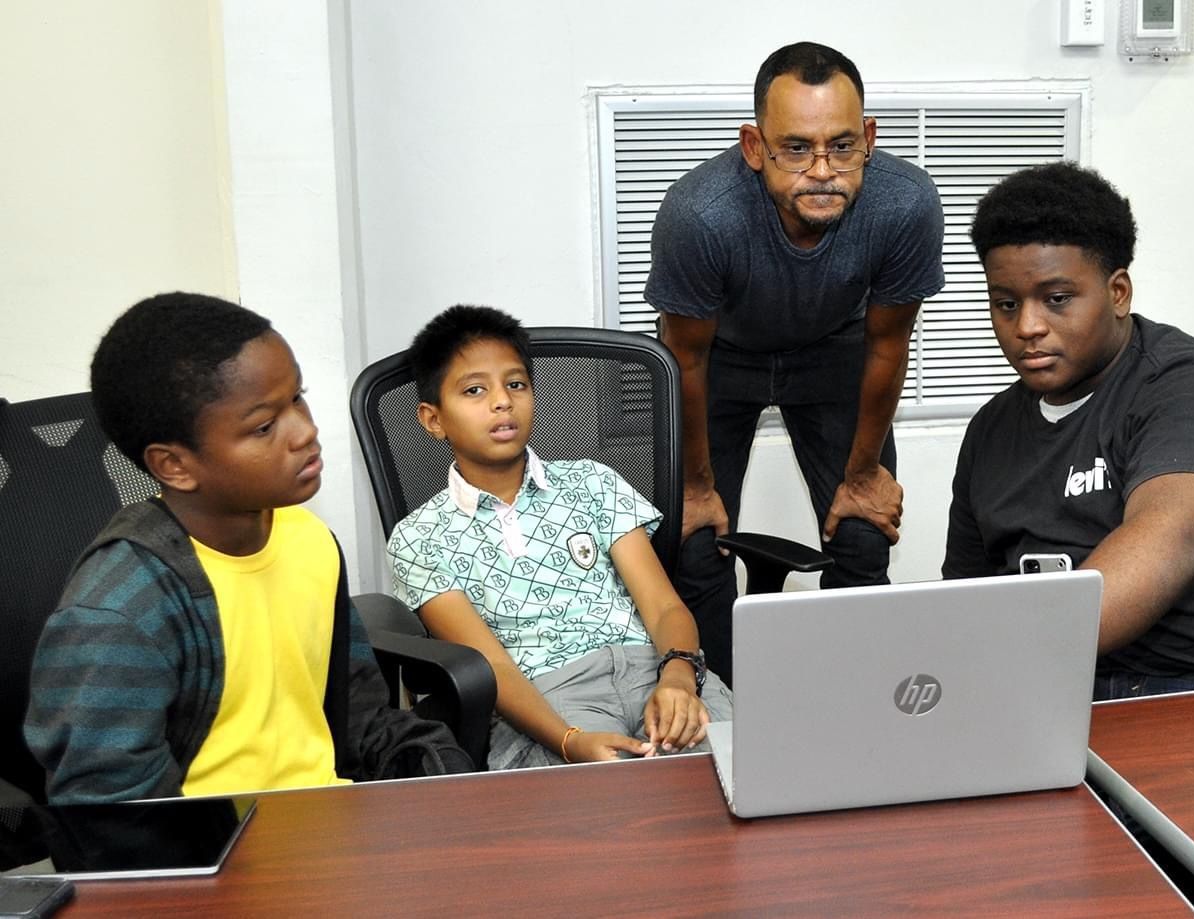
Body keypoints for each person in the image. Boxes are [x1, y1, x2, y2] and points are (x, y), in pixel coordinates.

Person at [26, 293, 470, 804]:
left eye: (297, 398)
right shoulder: (122, 610)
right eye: (263, 426)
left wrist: (440, 771)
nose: (305, 431)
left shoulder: (307, 540)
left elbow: (358, 714)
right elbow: (113, 821)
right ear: (175, 466)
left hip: (329, 830)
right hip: (216, 865)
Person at [944, 162, 1194, 699]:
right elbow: (967, 602)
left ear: (1118, 292)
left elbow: (1169, 545)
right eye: (1006, 303)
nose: (1027, 327)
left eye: (1057, 298)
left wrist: (1006, 664)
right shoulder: (992, 430)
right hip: (1069, 691)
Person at [644, 41, 945, 684]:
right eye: (796, 148)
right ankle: (716, 716)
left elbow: (888, 344)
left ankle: (855, 707)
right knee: (694, 546)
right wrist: (696, 486)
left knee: (864, 535)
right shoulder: (700, 213)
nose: (822, 170)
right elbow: (685, 358)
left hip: (834, 351)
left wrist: (864, 473)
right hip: (717, 361)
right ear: (755, 148)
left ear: (868, 138)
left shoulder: (905, 203)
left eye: (841, 145)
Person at [385, 305, 732, 769]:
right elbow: (493, 669)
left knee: (742, 782)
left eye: (516, 384)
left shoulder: (593, 482)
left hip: (655, 667)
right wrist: (569, 741)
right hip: (550, 699)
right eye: (474, 390)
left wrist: (679, 678)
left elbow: (666, 607)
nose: (502, 401)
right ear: (433, 420)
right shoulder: (419, 538)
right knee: (600, 816)